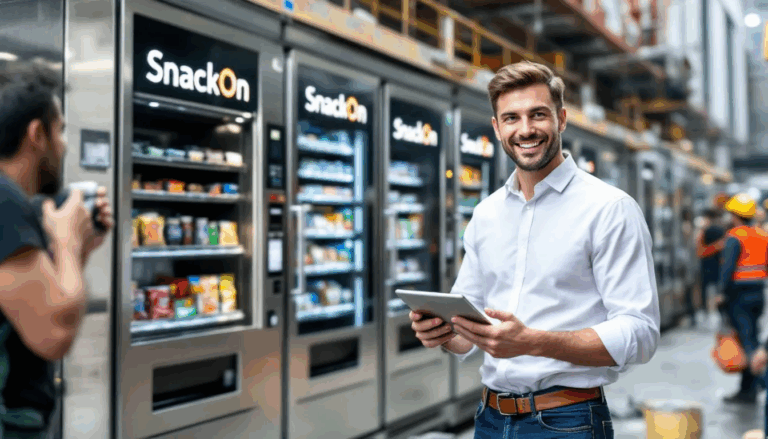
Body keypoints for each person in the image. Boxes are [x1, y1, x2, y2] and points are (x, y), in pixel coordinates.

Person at [409, 61, 659, 438]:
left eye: (537, 115)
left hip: (568, 421)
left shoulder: (609, 208)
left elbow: (640, 333)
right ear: (497, 128)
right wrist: (443, 333)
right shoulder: (486, 214)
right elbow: (468, 331)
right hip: (490, 419)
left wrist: (534, 342)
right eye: (511, 118)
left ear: (561, 119)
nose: (525, 130)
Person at [0, 61, 113, 437]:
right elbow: (53, 332)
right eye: (60, 131)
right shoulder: (4, 200)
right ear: (37, 134)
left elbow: (40, 299)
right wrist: (67, 239)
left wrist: (79, 248)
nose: (64, 146)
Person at [714, 194, 767, 404]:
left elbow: (727, 268)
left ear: (735, 215)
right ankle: (747, 389)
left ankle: (760, 382)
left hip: (738, 295)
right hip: (758, 293)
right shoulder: (762, 235)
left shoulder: (734, 237)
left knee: (747, 342)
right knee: (750, 337)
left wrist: (720, 293)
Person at [695, 208, 727, 317]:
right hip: (718, 266)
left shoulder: (704, 231)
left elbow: (700, 251)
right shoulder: (722, 231)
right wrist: (717, 246)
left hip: (707, 266)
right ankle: (718, 312)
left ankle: (706, 311)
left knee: (706, 290)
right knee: (718, 290)